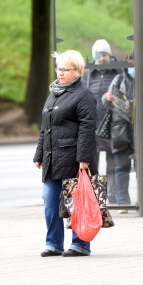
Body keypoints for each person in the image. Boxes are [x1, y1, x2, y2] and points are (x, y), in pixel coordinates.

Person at [34, 50, 98, 257]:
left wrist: (84, 158)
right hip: (53, 158)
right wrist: (38, 155)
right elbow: (45, 128)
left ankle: (80, 244)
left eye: (65, 69)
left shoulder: (84, 95)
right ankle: (53, 243)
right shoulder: (53, 93)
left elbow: (88, 128)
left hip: (74, 158)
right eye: (58, 68)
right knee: (50, 200)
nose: (60, 73)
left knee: (77, 202)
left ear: (77, 71)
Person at [81, 39, 119, 202]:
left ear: (109, 55)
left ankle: (113, 193)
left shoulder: (118, 71)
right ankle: (95, 195)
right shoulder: (88, 74)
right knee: (92, 161)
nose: (101, 58)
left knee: (112, 159)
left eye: (104, 54)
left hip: (112, 121)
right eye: (98, 54)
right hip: (93, 123)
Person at [102, 53, 135, 210]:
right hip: (121, 128)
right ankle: (123, 202)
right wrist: (107, 98)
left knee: (142, 167)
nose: (131, 67)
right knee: (121, 167)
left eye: (134, 64)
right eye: (129, 64)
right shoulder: (119, 79)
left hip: (139, 129)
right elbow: (106, 101)